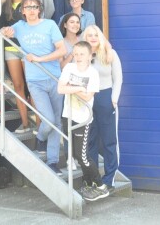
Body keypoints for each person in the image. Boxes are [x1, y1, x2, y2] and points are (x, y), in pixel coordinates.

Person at [2, 0, 66, 173]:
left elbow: (63, 50)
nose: (31, 10)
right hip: (35, 81)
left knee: (56, 122)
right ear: (22, 11)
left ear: (39, 9)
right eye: (27, 7)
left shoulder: (50, 25)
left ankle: (52, 161)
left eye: (34, 7)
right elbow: (5, 31)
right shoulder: (20, 27)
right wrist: (4, 30)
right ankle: (41, 135)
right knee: (50, 120)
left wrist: (40, 59)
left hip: (54, 78)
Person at [58, 41, 108, 201]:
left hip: (83, 119)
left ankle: (101, 186)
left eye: (82, 54)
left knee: (82, 156)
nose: (78, 57)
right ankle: (87, 184)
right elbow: (60, 89)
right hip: (68, 115)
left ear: (89, 56)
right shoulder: (69, 68)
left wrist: (71, 87)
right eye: (76, 53)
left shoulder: (92, 73)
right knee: (73, 153)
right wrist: (79, 88)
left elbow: (88, 96)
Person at [82, 25, 123, 189]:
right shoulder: (82, 56)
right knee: (90, 141)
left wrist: (113, 99)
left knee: (109, 141)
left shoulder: (110, 53)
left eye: (95, 35)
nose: (92, 38)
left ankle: (109, 179)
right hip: (87, 100)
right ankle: (93, 178)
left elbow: (118, 79)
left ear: (100, 37)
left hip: (106, 97)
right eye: (89, 35)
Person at [0, 0, 32, 133]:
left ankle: (39, 124)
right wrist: (4, 30)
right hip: (10, 49)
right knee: (18, 86)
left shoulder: (29, 4)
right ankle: (25, 124)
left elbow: (34, 25)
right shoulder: (5, 5)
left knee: (32, 86)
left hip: (27, 50)